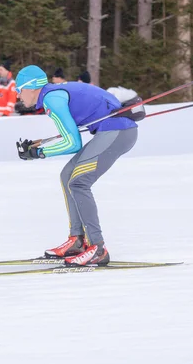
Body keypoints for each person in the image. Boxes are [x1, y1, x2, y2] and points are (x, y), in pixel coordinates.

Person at [15, 65, 138, 266]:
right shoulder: (51, 95)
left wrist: (40, 152)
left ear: (31, 87)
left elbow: (72, 143)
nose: (18, 95)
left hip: (118, 131)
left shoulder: (51, 99)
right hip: (113, 129)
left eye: (19, 89)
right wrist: (39, 148)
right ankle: (77, 241)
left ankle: (98, 248)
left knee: (79, 182)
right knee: (67, 176)